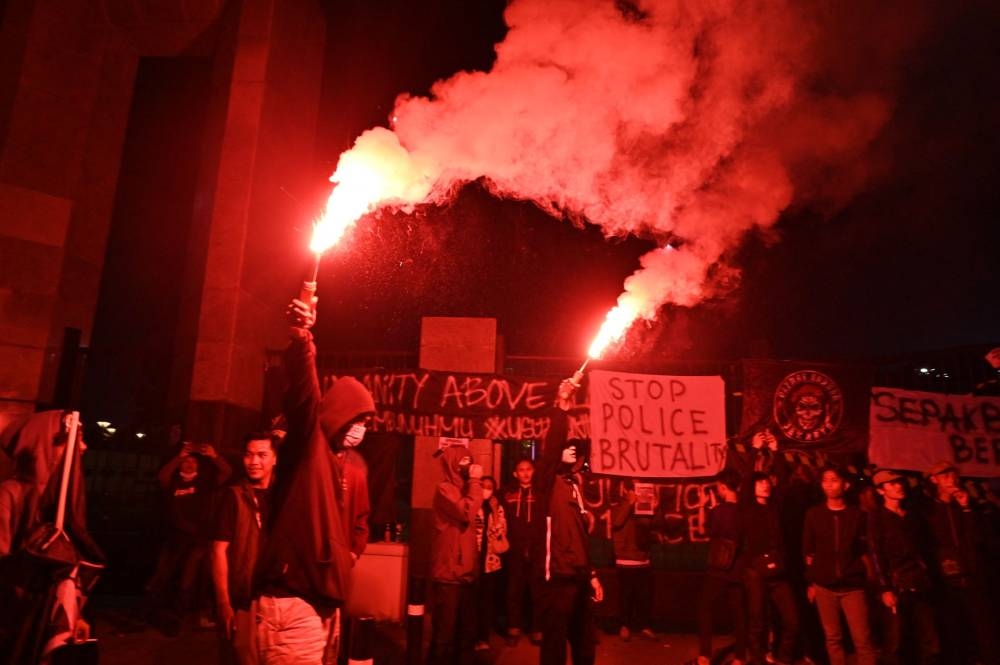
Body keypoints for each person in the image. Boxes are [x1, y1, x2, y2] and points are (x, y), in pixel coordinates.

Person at [251, 296, 375, 664]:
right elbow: (304, 395)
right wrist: (304, 340)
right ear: (340, 414)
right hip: (293, 606)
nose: (362, 429)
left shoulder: (341, 463)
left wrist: (345, 557)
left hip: (318, 603)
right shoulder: (309, 443)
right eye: (359, 419)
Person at [0, 411, 104, 663]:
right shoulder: (10, 494)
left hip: (49, 616)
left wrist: (74, 613)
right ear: (45, 443)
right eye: (74, 438)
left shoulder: (62, 500)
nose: (83, 447)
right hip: (16, 620)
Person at [534, 375, 603, 665]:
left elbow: (580, 538)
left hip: (579, 577)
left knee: (585, 644)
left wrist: (593, 575)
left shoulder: (574, 486)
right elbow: (551, 451)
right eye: (567, 449)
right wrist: (562, 405)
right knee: (554, 647)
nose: (572, 453)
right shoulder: (546, 483)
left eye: (574, 451)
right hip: (557, 578)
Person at [146, 437, 231, 632]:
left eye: (193, 461)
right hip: (174, 539)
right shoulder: (173, 482)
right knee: (161, 576)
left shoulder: (204, 483)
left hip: (197, 540)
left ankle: (180, 618)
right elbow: (162, 476)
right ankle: (149, 614)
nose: (189, 463)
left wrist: (214, 455)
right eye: (186, 461)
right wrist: (179, 457)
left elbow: (227, 472)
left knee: (187, 578)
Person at [212, 431, 280, 665]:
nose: (254, 462)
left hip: (279, 600)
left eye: (262, 455)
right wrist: (223, 603)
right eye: (249, 455)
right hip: (244, 599)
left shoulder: (285, 495)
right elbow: (218, 550)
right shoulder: (234, 496)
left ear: (275, 458)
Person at [923, 461, 998, 665]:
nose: (951, 480)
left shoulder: (968, 505)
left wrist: (966, 508)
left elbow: (978, 538)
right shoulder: (929, 509)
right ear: (934, 480)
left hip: (974, 575)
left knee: (985, 631)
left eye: (953, 476)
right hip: (947, 580)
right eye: (945, 476)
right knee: (954, 632)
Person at [802, 465, 876, 665]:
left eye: (834, 480)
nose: (829, 484)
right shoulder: (814, 514)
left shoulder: (857, 515)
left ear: (846, 485)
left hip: (853, 586)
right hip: (824, 586)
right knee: (833, 639)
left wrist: (867, 574)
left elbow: (866, 549)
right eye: (825, 480)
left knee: (863, 639)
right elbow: (809, 550)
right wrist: (811, 581)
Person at [868, 469, 939, 665]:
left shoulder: (911, 516)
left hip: (919, 582)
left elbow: (925, 549)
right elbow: (875, 554)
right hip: (896, 584)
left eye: (899, 482)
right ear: (880, 490)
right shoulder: (877, 517)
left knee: (929, 640)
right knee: (896, 642)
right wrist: (885, 588)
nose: (898, 486)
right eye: (891, 484)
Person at [739, 459, 799, 665]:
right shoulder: (747, 508)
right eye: (760, 482)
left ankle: (783, 659)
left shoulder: (775, 507)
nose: (765, 485)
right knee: (757, 621)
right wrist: (755, 452)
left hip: (778, 572)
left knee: (792, 621)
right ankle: (756, 660)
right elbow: (746, 480)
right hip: (755, 571)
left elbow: (782, 482)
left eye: (767, 482)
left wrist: (776, 452)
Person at [428, 445, 484, 665]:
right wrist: (475, 482)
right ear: (451, 464)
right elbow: (465, 511)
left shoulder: (468, 489)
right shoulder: (445, 489)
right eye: (462, 462)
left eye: (469, 461)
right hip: (448, 574)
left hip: (467, 573)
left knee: (466, 634)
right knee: (444, 634)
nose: (467, 466)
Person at [696, 468, 746, 665]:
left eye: (719, 487)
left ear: (723, 488)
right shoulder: (745, 511)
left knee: (705, 608)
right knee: (739, 613)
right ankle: (740, 658)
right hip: (738, 569)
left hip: (718, 569)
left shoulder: (718, 512)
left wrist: (702, 506)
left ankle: (705, 655)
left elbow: (702, 530)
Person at [610, 478, 657, 642]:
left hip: (642, 558)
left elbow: (648, 526)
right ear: (627, 490)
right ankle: (624, 626)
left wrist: (652, 509)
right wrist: (630, 504)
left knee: (644, 596)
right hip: (626, 559)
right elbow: (616, 522)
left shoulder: (643, 507)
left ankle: (644, 626)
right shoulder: (619, 505)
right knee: (626, 596)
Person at [502, 457, 540, 645]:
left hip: (536, 549)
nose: (525, 473)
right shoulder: (507, 494)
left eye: (528, 469)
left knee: (536, 591)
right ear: (515, 474)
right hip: (514, 549)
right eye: (521, 469)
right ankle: (514, 629)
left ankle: (536, 629)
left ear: (533, 471)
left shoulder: (541, 493)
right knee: (513, 591)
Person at [474, 475, 508, 651]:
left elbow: (500, 531)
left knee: (486, 602)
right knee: (471, 601)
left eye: (489, 487)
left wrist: (495, 512)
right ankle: (469, 637)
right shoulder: (472, 504)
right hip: (472, 561)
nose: (485, 490)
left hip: (490, 562)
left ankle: (483, 638)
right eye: (483, 486)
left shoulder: (497, 508)